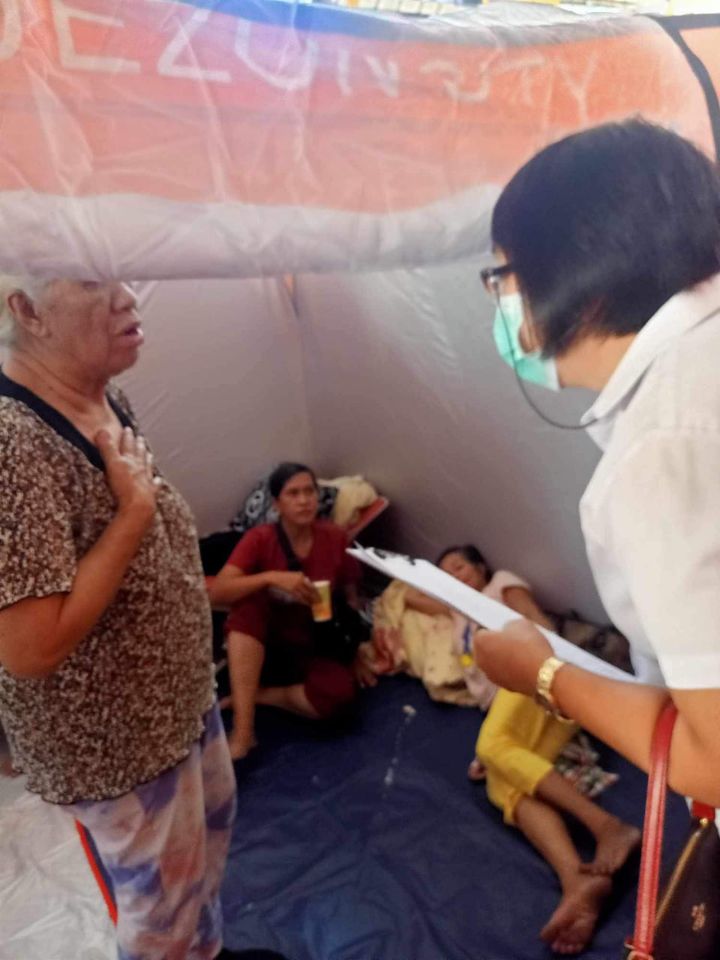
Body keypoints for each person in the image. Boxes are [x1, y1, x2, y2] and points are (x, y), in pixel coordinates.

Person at [472, 121, 720, 949]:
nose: (500, 302)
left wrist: (541, 673)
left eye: (502, 275)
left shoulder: (663, 447)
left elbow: (715, 757)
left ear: (577, 273)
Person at [0, 277, 249, 960]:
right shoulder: (11, 443)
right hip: (115, 743)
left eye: (123, 275)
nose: (129, 299)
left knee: (205, 856)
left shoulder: (102, 393)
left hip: (177, 696)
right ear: (26, 309)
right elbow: (29, 649)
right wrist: (134, 513)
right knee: (162, 916)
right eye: (91, 282)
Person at [209, 463, 366, 760]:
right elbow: (218, 592)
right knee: (248, 606)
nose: (304, 500)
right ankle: (243, 733)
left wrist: (356, 651)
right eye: (293, 493)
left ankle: (259, 696)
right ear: (277, 503)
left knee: (339, 696)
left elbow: (351, 596)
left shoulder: (334, 538)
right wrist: (270, 578)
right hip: (264, 644)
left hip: (313, 640)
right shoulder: (260, 539)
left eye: (309, 492)